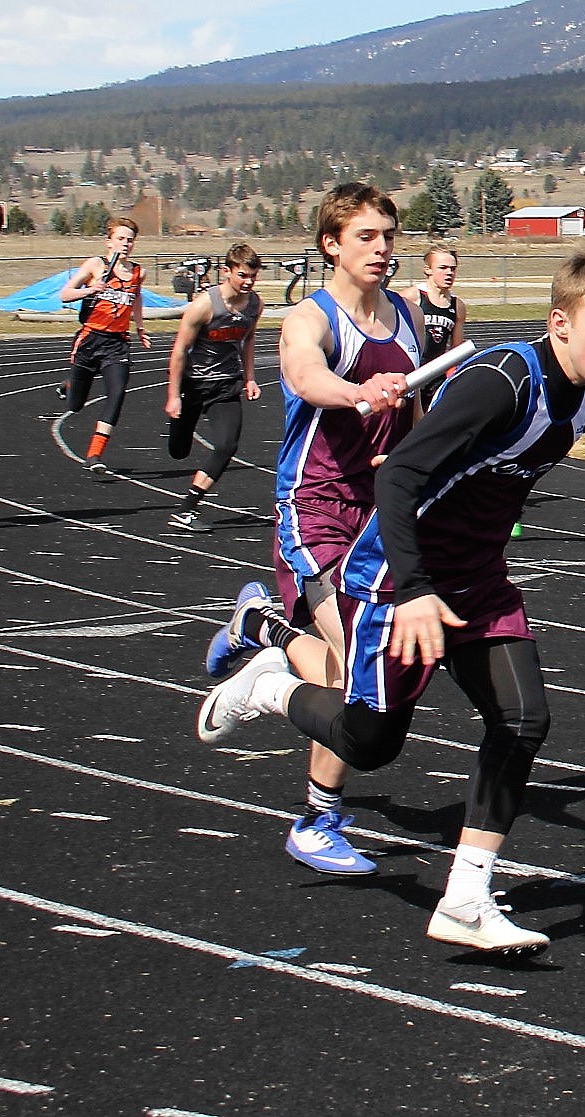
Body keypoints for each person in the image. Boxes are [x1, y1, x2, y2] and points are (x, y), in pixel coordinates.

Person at [197, 251, 585, 952]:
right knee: (369, 743)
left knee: (523, 718)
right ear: (559, 323)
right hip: (397, 577)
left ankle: (465, 897)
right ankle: (269, 684)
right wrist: (411, 591)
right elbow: (401, 473)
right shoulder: (503, 379)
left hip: (479, 578)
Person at [206, 182, 425, 875]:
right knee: (365, 660)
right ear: (331, 244)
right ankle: (316, 818)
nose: (383, 249)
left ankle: (267, 630)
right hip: (316, 505)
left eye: (389, 235)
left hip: (377, 509)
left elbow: (413, 412)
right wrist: (357, 391)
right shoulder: (311, 316)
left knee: (349, 671)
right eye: (367, 236)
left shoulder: (409, 314)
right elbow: (304, 377)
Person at [164, 243, 264, 533]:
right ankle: (176, 424)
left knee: (227, 444)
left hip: (226, 385)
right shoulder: (204, 305)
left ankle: (187, 508)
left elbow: (248, 341)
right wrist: (173, 396)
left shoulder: (255, 304)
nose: (248, 282)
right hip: (193, 384)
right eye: (243, 275)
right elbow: (180, 350)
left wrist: (249, 377)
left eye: (253, 277)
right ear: (226, 272)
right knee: (179, 451)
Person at [58, 217, 151, 473]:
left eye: (130, 240)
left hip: (117, 344)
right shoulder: (95, 265)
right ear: (109, 242)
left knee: (117, 393)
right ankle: (70, 385)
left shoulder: (138, 272)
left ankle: (94, 454)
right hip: (90, 340)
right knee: (75, 406)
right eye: (121, 238)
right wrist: (90, 290)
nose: (126, 244)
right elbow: (65, 295)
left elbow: (136, 299)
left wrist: (140, 327)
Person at [400, 243, 467, 410]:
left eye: (453, 268)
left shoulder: (457, 305)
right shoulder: (412, 296)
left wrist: (453, 378)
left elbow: (456, 351)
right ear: (427, 270)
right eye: (443, 268)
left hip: (436, 376)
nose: (449, 273)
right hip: (410, 373)